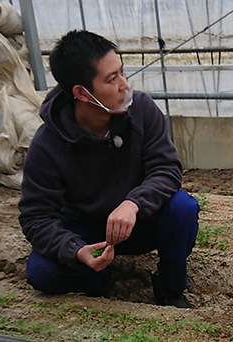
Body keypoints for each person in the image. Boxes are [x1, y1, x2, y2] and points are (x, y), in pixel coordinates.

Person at [18, 30, 199, 309]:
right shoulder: (48, 145)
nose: (124, 85)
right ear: (81, 93)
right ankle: (95, 277)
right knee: (42, 273)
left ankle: (168, 283)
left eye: (122, 73)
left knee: (183, 208)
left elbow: (166, 169)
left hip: (136, 223)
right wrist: (75, 250)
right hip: (85, 231)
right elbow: (36, 217)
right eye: (112, 79)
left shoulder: (143, 111)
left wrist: (133, 203)